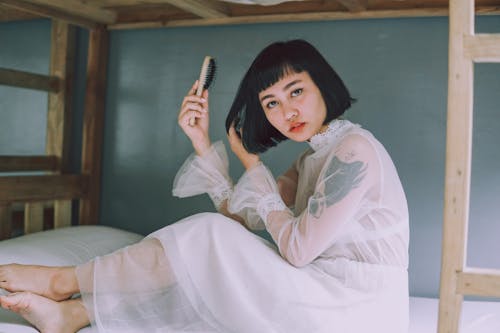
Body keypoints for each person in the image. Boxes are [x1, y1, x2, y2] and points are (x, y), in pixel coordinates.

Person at [0, 39, 409, 333]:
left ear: (322, 83)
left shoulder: (353, 150)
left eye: (296, 91)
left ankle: (62, 282)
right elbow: (238, 219)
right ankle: (72, 315)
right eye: (271, 103)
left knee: (207, 239)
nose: (287, 111)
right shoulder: (312, 157)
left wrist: (252, 163)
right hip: (325, 298)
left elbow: (298, 251)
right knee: (213, 248)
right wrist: (201, 142)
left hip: (356, 312)